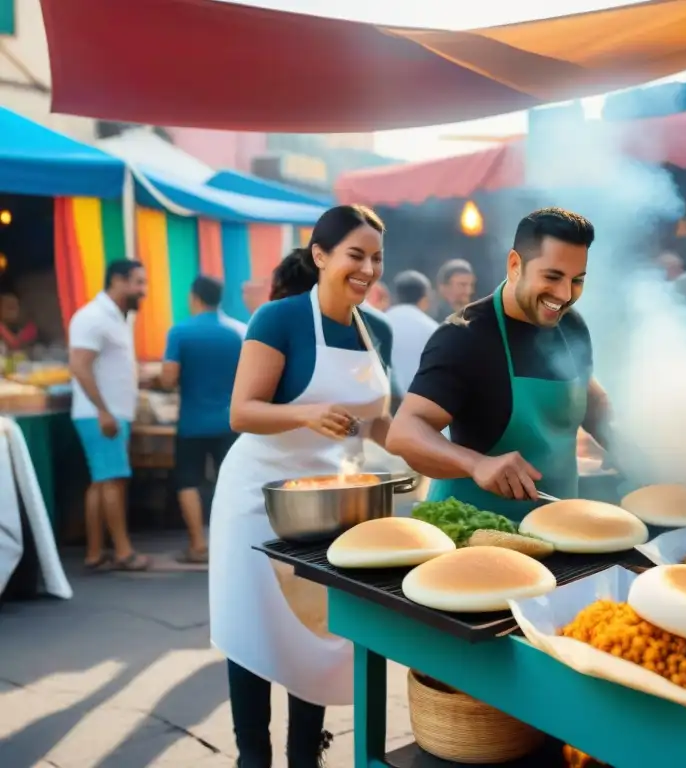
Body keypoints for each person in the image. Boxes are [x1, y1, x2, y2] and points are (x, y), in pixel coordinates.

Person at [209, 205, 394, 768]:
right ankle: (253, 757)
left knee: (313, 629)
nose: (367, 269)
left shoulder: (376, 329)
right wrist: (307, 415)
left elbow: (382, 424)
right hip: (256, 498)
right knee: (255, 629)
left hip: (331, 504)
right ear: (320, 256)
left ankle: (304, 756)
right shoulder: (278, 319)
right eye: (354, 255)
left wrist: (449, 454)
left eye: (377, 258)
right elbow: (242, 411)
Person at [386, 208, 614, 520]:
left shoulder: (571, 326)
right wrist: (476, 464)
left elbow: (590, 397)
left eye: (577, 280)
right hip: (469, 531)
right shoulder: (464, 337)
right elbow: (404, 432)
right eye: (552, 276)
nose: (564, 294)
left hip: (559, 530)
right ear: (515, 265)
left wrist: (627, 446)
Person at [67, 260, 151, 572]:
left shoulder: (115, 318)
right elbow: (79, 365)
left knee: (102, 481)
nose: (143, 291)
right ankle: (124, 552)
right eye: (138, 283)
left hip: (109, 412)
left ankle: (94, 552)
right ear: (117, 280)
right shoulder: (93, 317)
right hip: (101, 414)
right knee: (113, 481)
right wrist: (103, 410)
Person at [159, 276, 243, 564]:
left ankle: (197, 545)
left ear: (194, 297)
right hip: (230, 422)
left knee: (188, 482)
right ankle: (231, 545)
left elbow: (168, 379)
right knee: (230, 482)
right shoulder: (238, 332)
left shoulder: (180, 332)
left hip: (192, 423)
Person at [386, 270, 439, 396]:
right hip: (419, 403)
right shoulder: (433, 329)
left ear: (395, 296)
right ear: (425, 298)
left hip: (385, 403)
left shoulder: (379, 324)